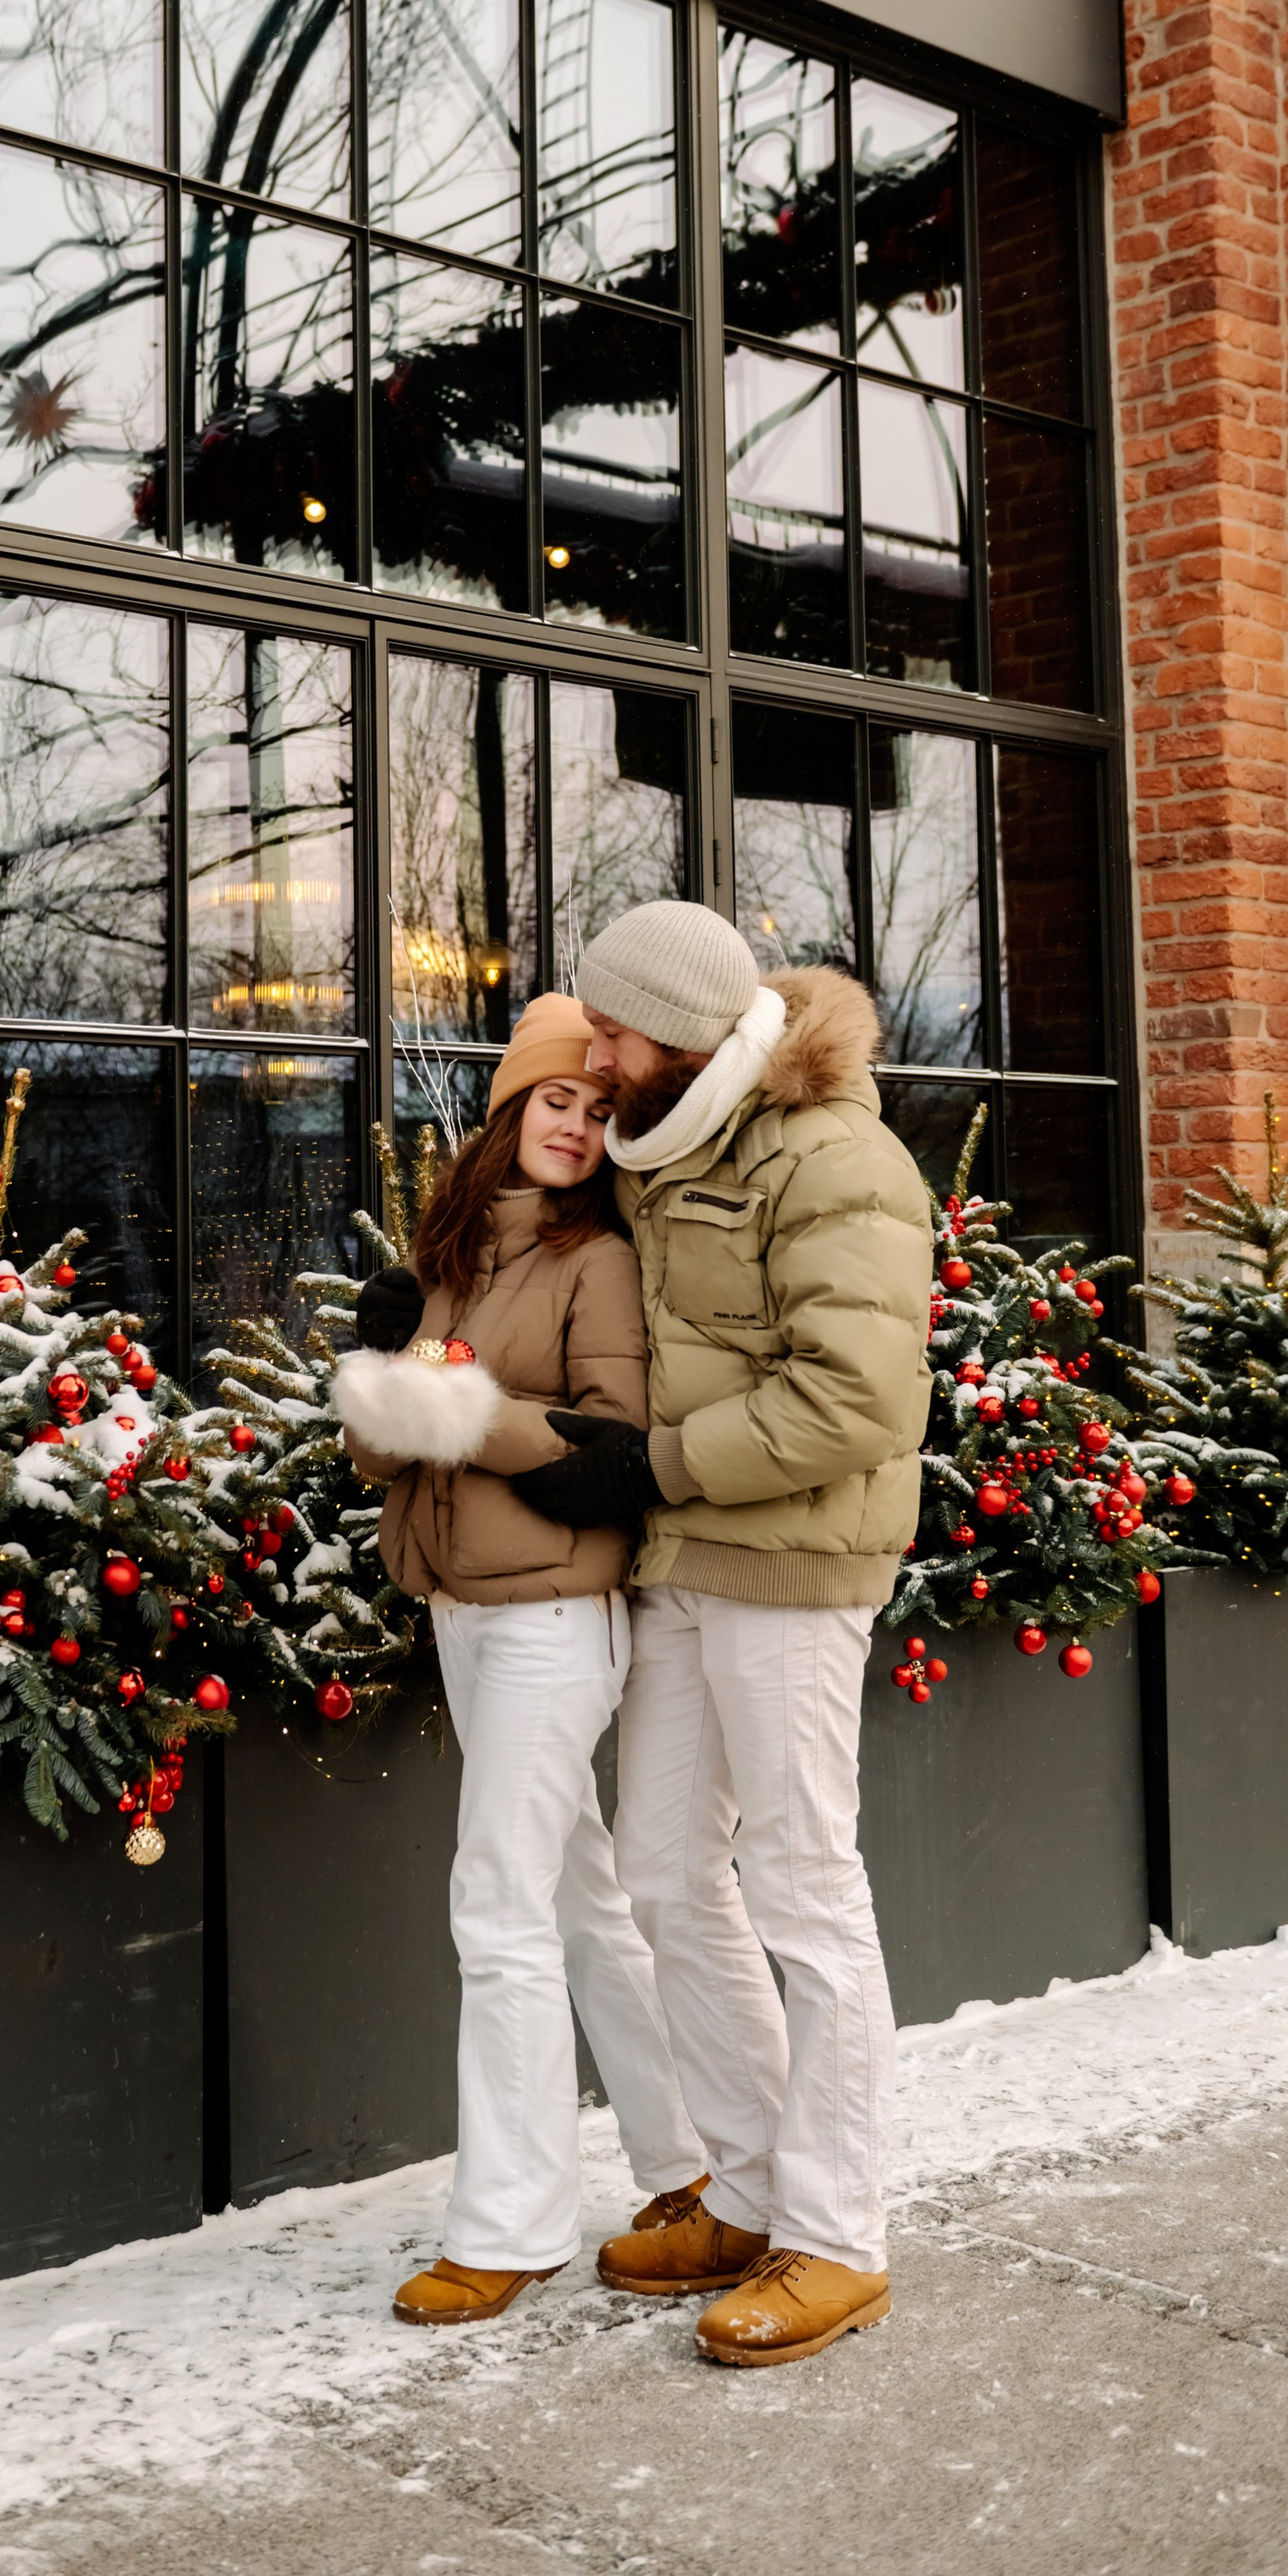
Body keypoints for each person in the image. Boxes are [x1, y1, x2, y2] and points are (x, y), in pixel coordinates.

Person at [507, 907, 932, 2369]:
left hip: (795, 1563)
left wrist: (656, 1466)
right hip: (686, 1557)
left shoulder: (829, 1157)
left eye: (611, 1034)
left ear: (679, 1031)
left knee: (804, 1884)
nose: (595, 1058)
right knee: (670, 1872)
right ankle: (747, 2194)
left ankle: (839, 2235)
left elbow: (860, 1399)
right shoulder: (666, 1140)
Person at [336, 994, 706, 2327]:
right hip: (461, 1603)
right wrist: (382, 1367)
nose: (578, 1125)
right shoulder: (448, 1256)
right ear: (511, 1108)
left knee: (495, 1901)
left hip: (557, 1613)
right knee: (572, 1895)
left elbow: (607, 1437)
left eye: (601, 1113)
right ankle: (686, 2164)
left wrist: (456, 1405)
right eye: (559, 1100)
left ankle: (513, 2225)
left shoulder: (594, 1259)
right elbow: (380, 1452)